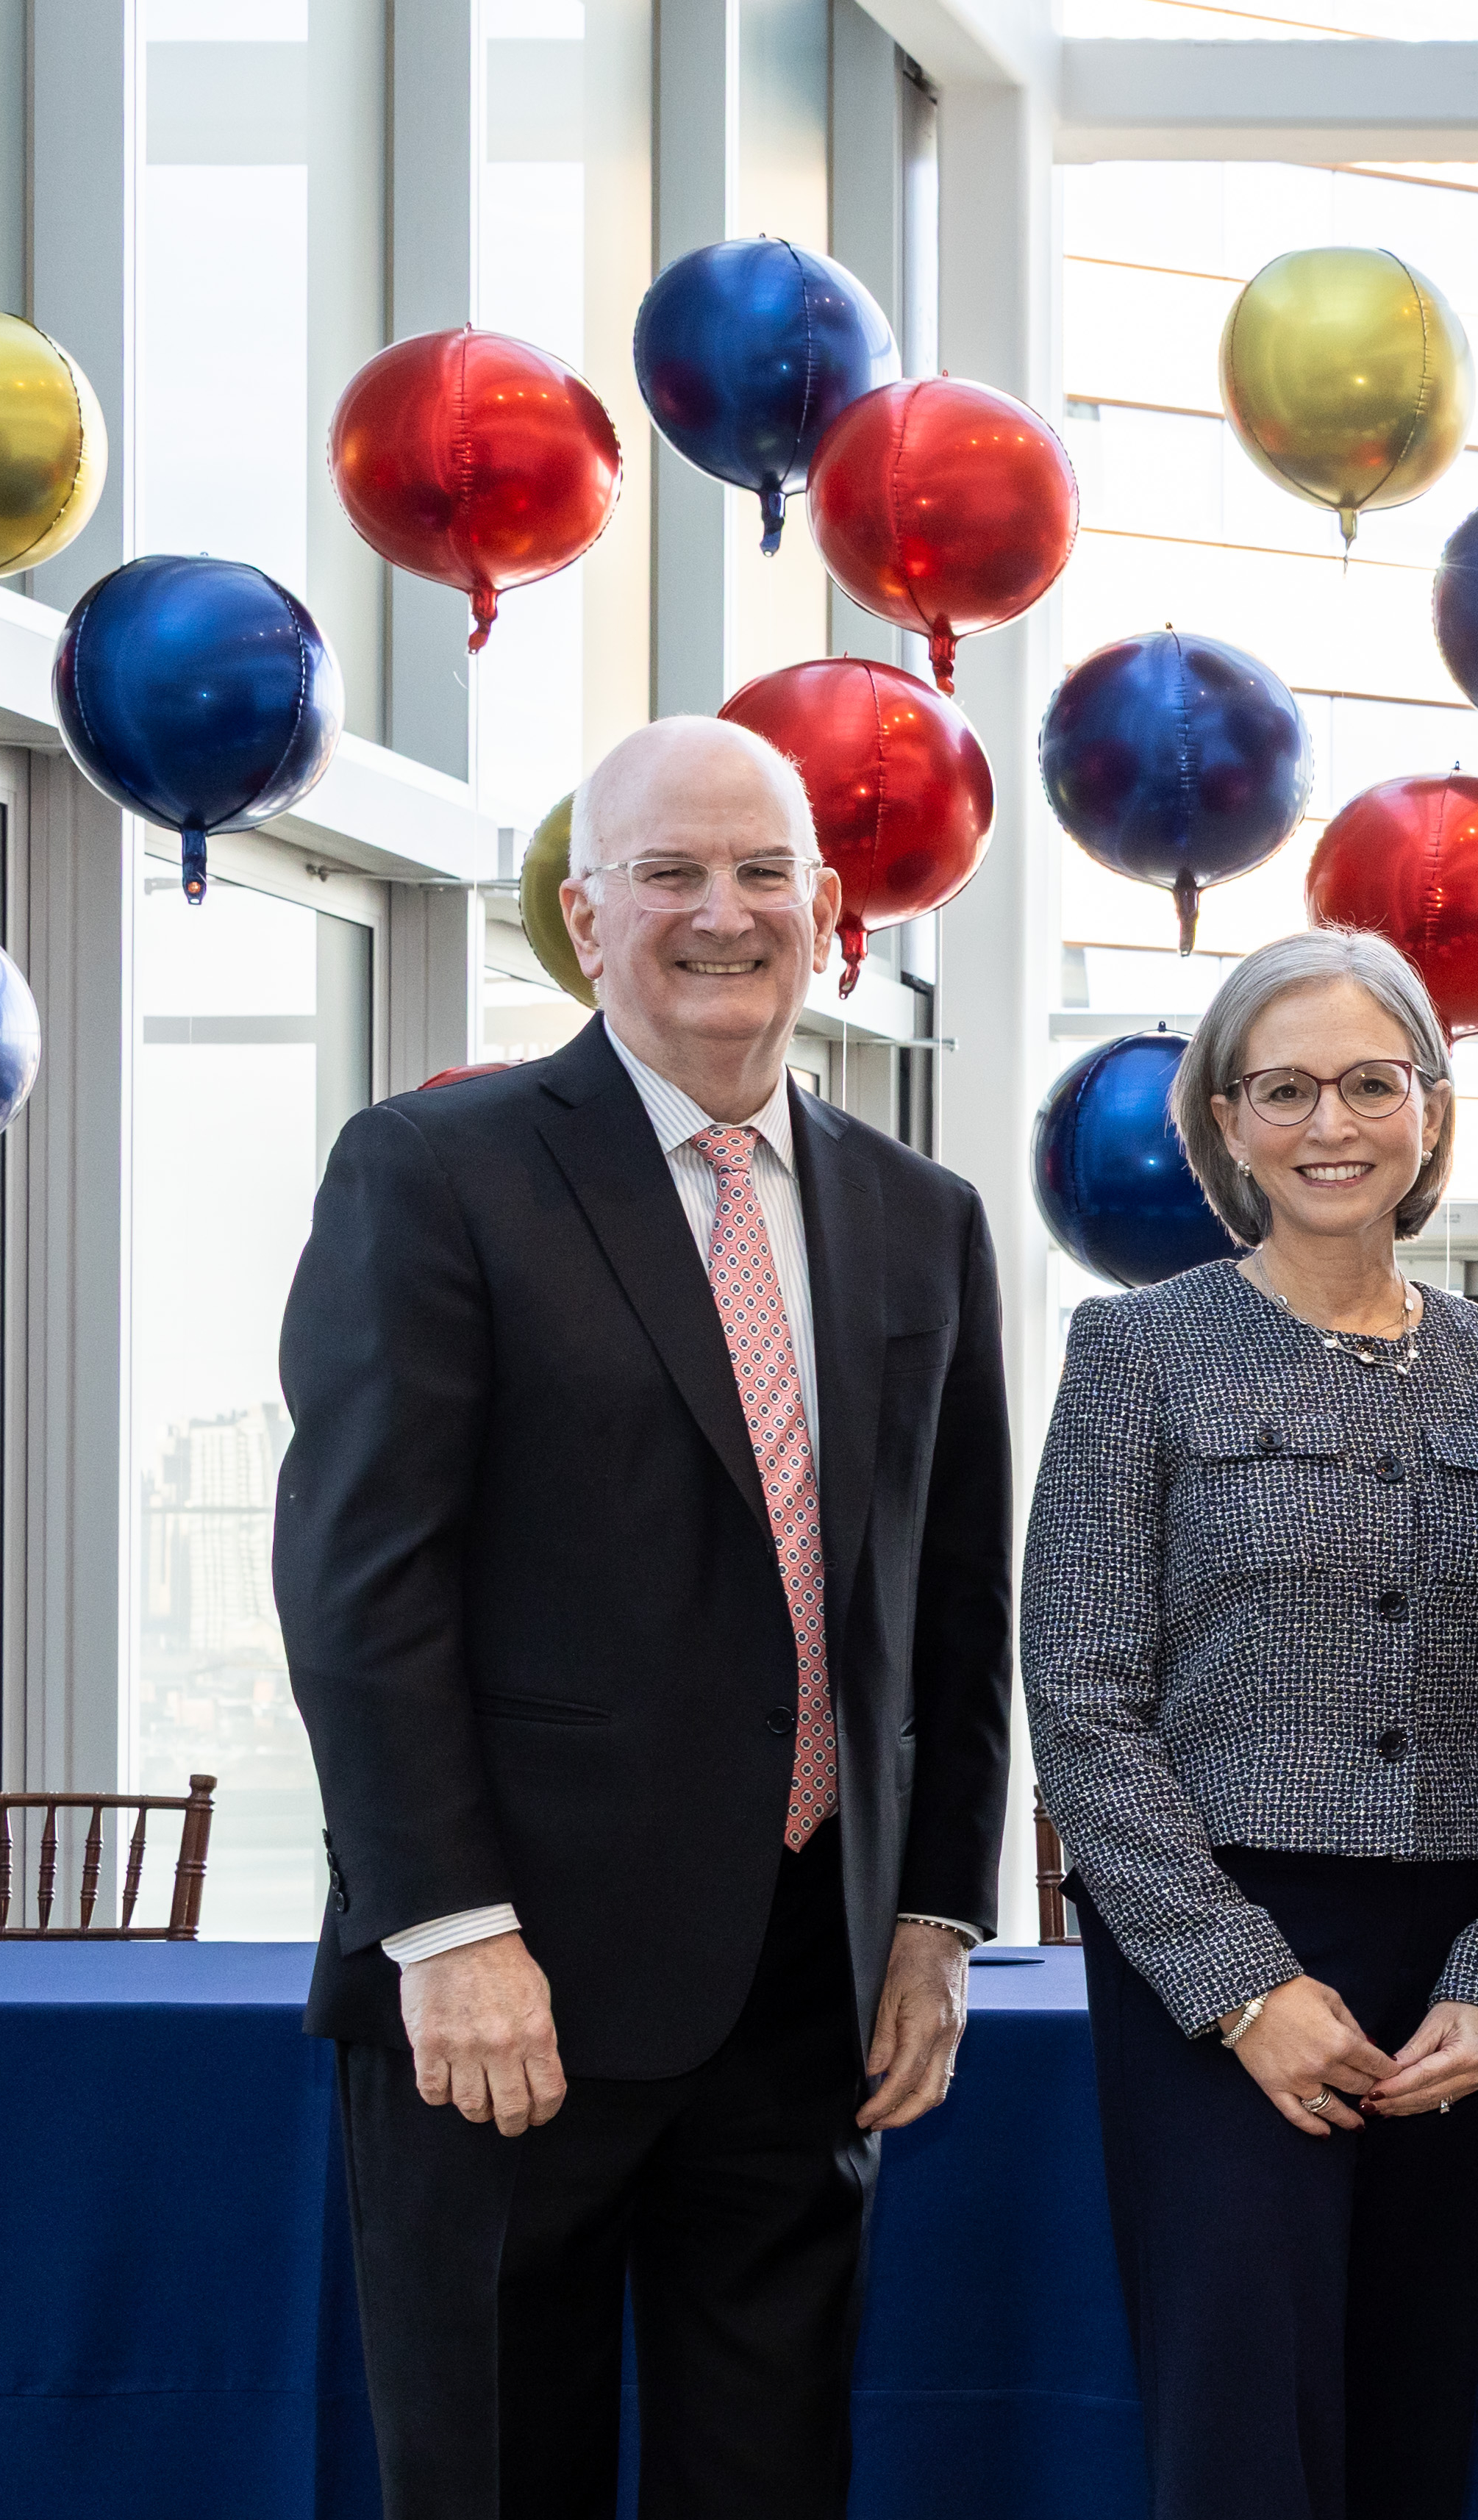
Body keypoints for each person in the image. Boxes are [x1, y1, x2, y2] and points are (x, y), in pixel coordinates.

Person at [275, 715, 1012, 2520]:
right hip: (509, 1987)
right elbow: (363, 1585)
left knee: (769, 2477)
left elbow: (947, 1597)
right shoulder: (434, 1173)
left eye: (763, 871)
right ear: (586, 919)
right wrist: (446, 1927)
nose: (721, 911)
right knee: (494, 2475)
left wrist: (930, 1915)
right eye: (668, 872)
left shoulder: (923, 1218)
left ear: (831, 911)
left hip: (805, 1988)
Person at [1027, 927, 1478, 2519]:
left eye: (1370, 1083)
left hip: (1449, 1982)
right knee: (1244, 2437)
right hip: (1214, 1961)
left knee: (1416, 2413)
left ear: (1431, 1107)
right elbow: (1079, 1700)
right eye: (1283, 1089)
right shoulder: (1135, 1351)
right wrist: (1243, 1988)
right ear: (1224, 1119)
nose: (1330, 1124)